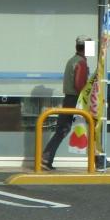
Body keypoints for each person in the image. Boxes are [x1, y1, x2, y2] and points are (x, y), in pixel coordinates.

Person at [41, 36, 90, 170]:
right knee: (91, 127)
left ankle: (46, 158)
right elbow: (79, 84)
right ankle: (98, 160)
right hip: (77, 100)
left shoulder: (71, 61)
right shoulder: (81, 62)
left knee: (62, 130)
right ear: (86, 48)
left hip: (68, 99)